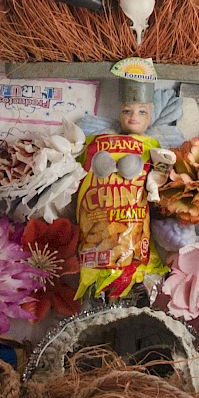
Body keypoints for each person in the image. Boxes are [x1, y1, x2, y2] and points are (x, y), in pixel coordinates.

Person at [74, 65, 164, 300]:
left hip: (136, 253)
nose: (134, 117)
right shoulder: (97, 140)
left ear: (151, 114)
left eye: (142, 112)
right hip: (95, 253)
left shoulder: (152, 146)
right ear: (118, 113)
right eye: (127, 111)